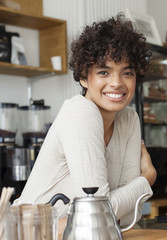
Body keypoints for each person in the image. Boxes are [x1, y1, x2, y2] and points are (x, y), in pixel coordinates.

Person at [15, 13, 157, 229]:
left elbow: (128, 217)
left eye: (127, 72)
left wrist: (111, 209)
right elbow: (98, 214)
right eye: (103, 72)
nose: (117, 83)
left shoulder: (129, 119)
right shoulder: (80, 113)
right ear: (83, 77)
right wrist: (147, 179)